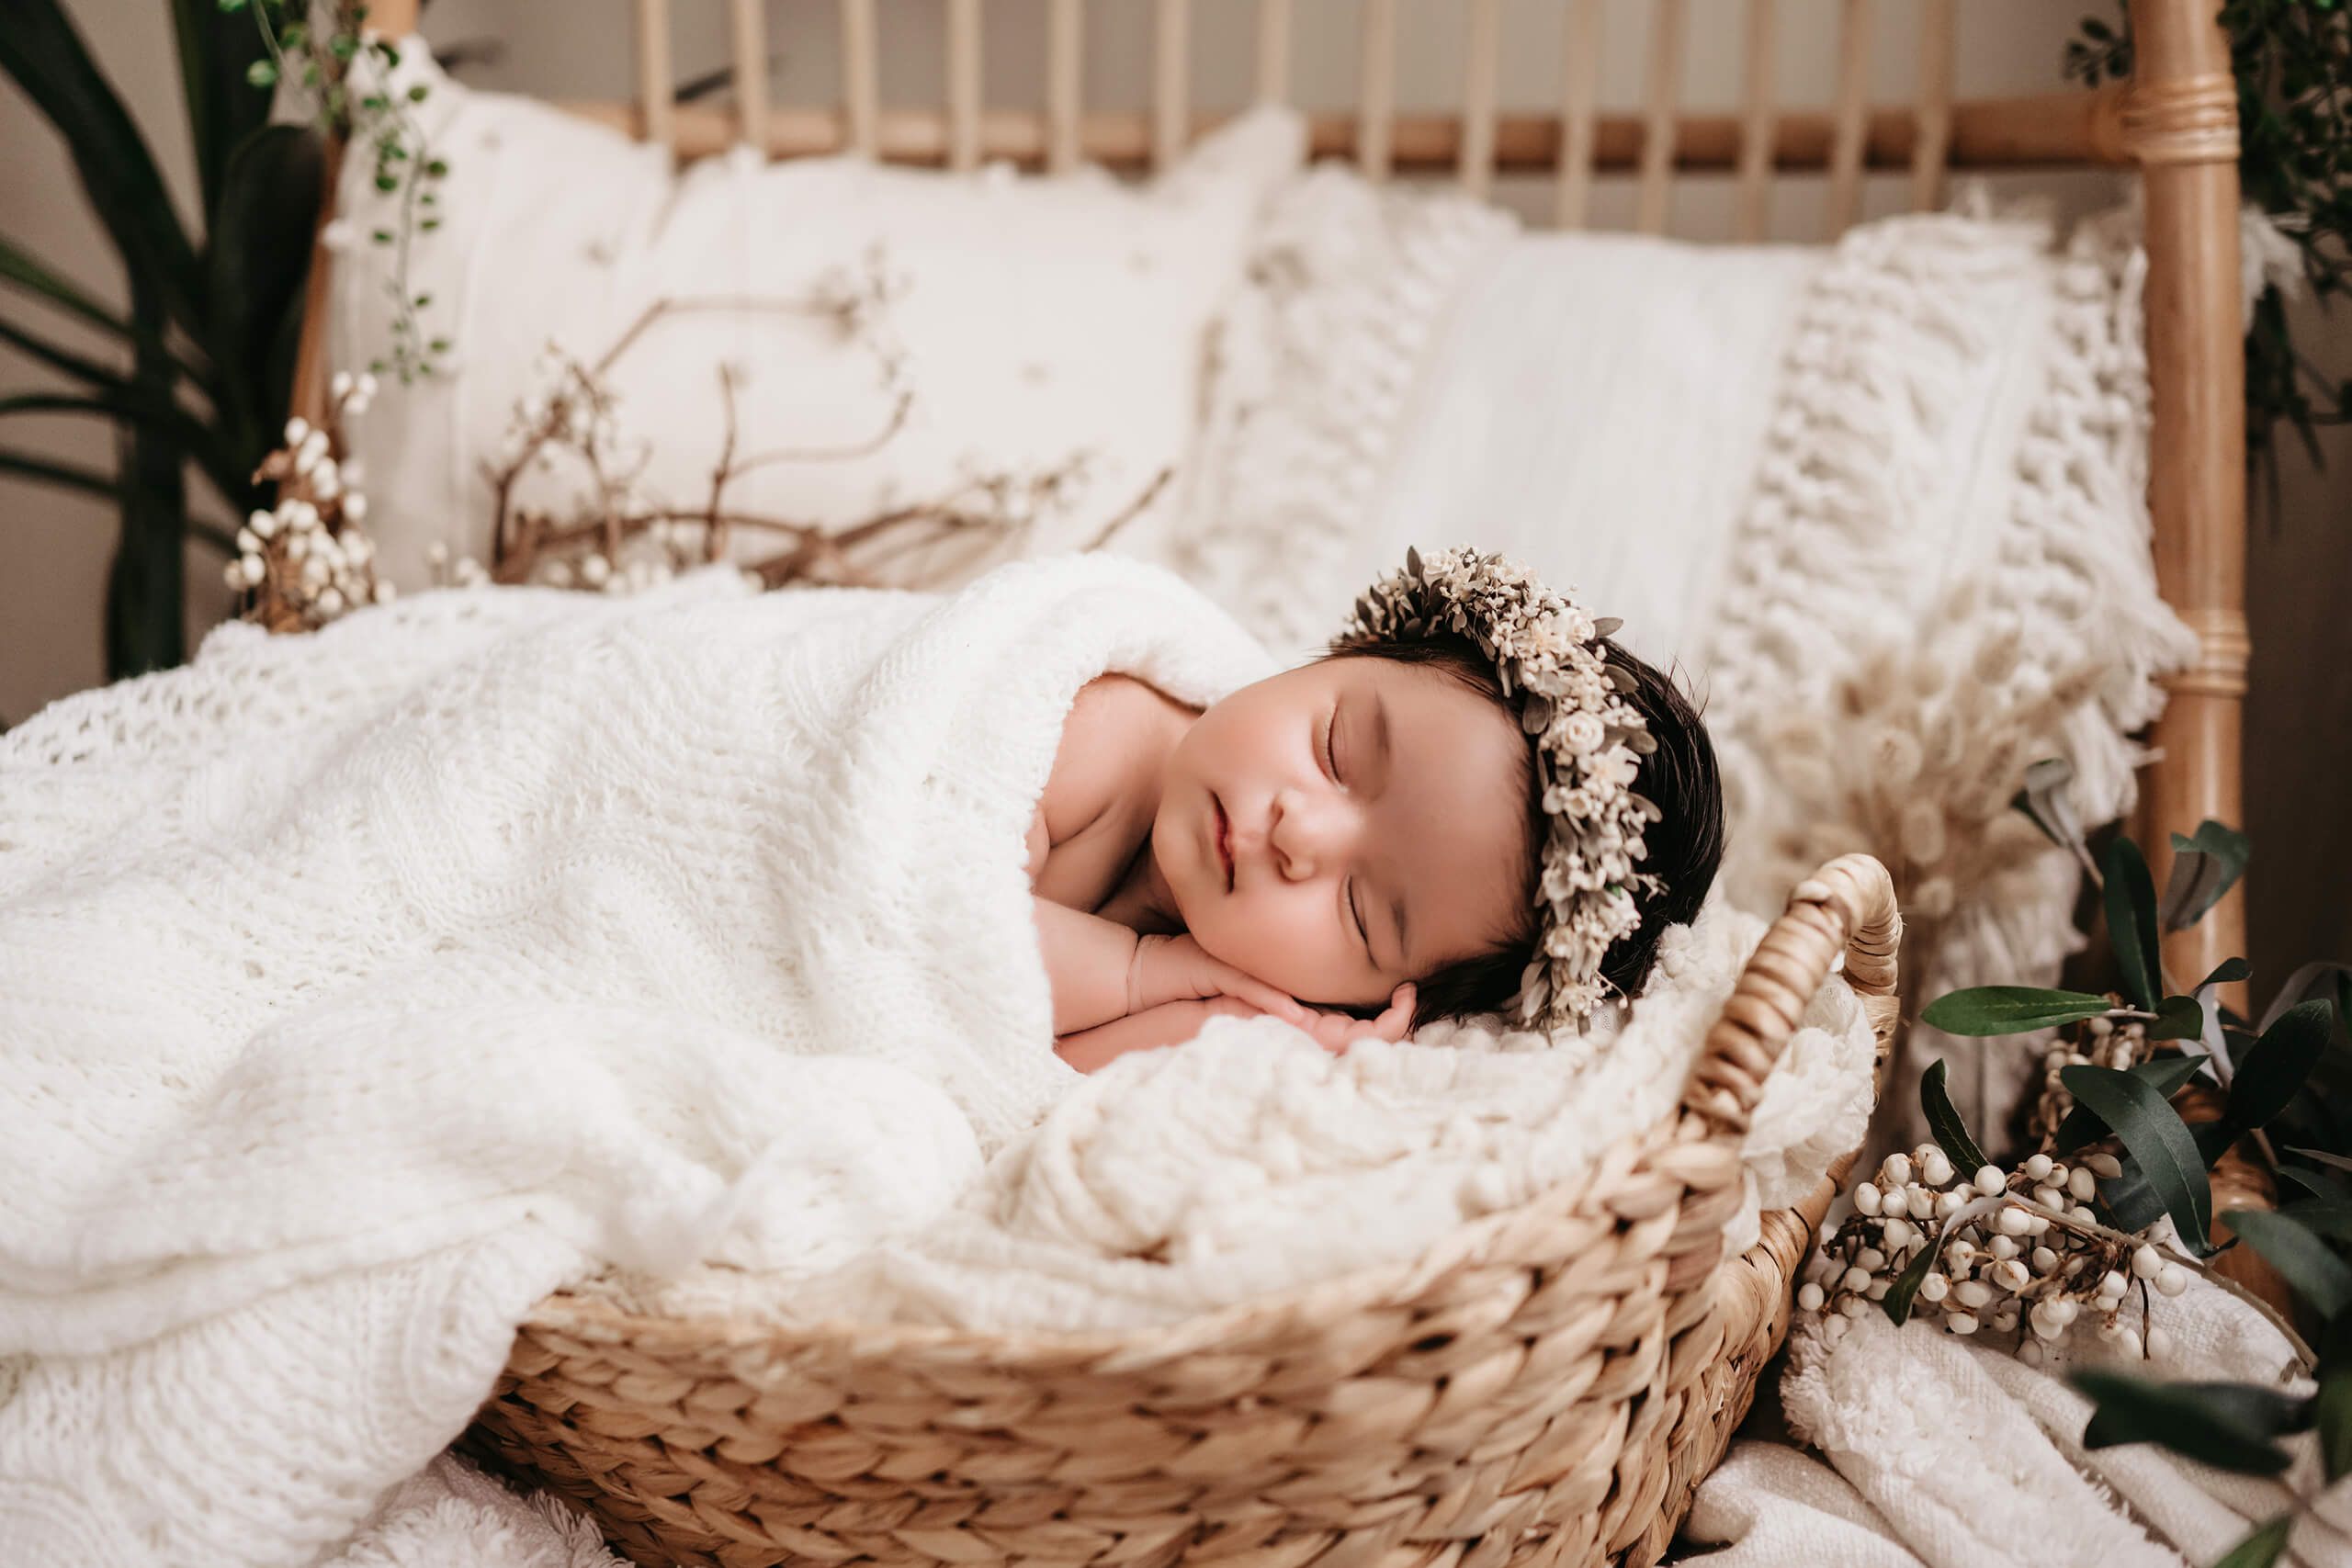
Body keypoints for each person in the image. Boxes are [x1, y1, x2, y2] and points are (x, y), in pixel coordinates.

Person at [1033, 547, 1724, 1073]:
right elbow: (938, 927)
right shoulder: (1095, 731)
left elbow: (1030, 1071)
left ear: (1375, 995)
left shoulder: (1237, 992)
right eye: (1337, 751)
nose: (1297, 832)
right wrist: (1138, 971)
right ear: (1351, 653)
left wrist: (1240, 1023)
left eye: (1361, 908)